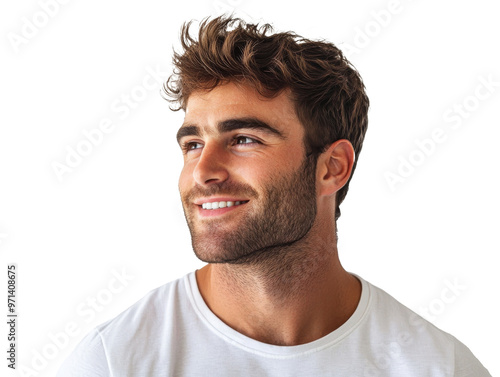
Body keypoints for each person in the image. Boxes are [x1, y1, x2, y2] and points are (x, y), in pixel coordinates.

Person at [57, 16, 491, 376]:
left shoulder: (438, 366)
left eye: (244, 139)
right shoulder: (114, 361)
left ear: (331, 167)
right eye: (192, 144)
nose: (202, 172)